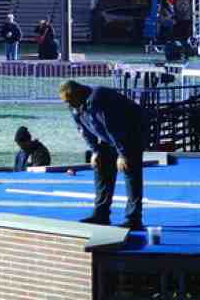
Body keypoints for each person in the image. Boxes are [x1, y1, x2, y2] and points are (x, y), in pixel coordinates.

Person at [60, 80, 147, 230]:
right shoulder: (74, 106)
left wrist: (123, 154)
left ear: (78, 94)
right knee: (101, 167)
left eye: (70, 101)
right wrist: (95, 151)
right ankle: (101, 213)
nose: (69, 105)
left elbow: (114, 127)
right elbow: (84, 130)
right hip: (110, 136)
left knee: (129, 170)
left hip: (132, 133)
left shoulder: (98, 99)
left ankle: (134, 218)